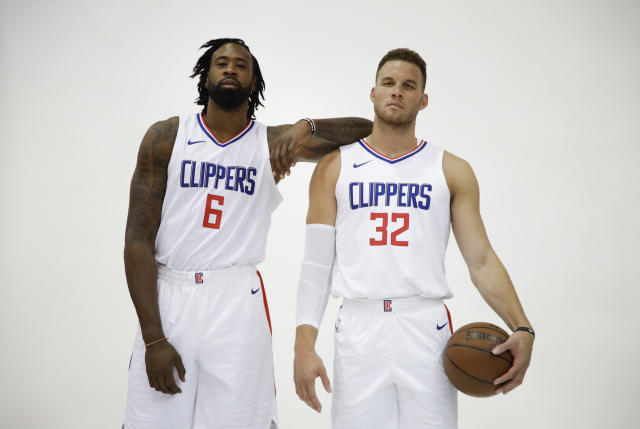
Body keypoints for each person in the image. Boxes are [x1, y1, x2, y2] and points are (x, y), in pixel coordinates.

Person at [122, 37, 372, 429]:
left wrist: (307, 126)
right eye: (221, 63)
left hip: (236, 301)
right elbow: (137, 239)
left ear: (254, 83)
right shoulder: (167, 136)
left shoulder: (271, 143)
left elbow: (369, 134)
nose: (230, 68)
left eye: (241, 64)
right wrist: (154, 338)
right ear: (206, 77)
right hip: (170, 297)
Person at [293, 48, 535, 429]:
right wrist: (303, 344)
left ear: (423, 100)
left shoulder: (451, 169)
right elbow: (316, 265)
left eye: (409, 86)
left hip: (425, 328)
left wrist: (522, 326)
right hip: (359, 326)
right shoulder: (334, 166)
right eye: (388, 84)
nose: (397, 92)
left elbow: (481, 260)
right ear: (372, 93)